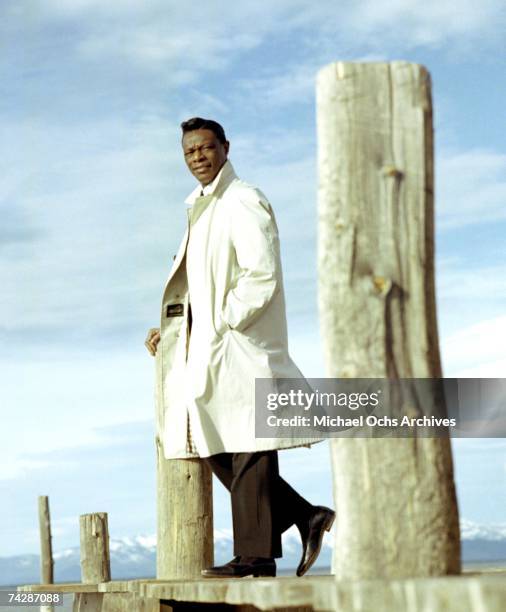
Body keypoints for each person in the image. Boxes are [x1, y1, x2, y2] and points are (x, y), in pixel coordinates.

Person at [145, 117, 335, 578]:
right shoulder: (201, 206)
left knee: (248, 443)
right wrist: (171, 329)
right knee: (207, 438)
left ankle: (257, 557)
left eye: (206, 148)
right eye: (189, 152)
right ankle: (304, 516)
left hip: (239, 344)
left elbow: (261, 273)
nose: (198, 158)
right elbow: (198, 284)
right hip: (209, 347)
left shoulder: (243, 199)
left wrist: (224, 320)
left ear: (225, 148)